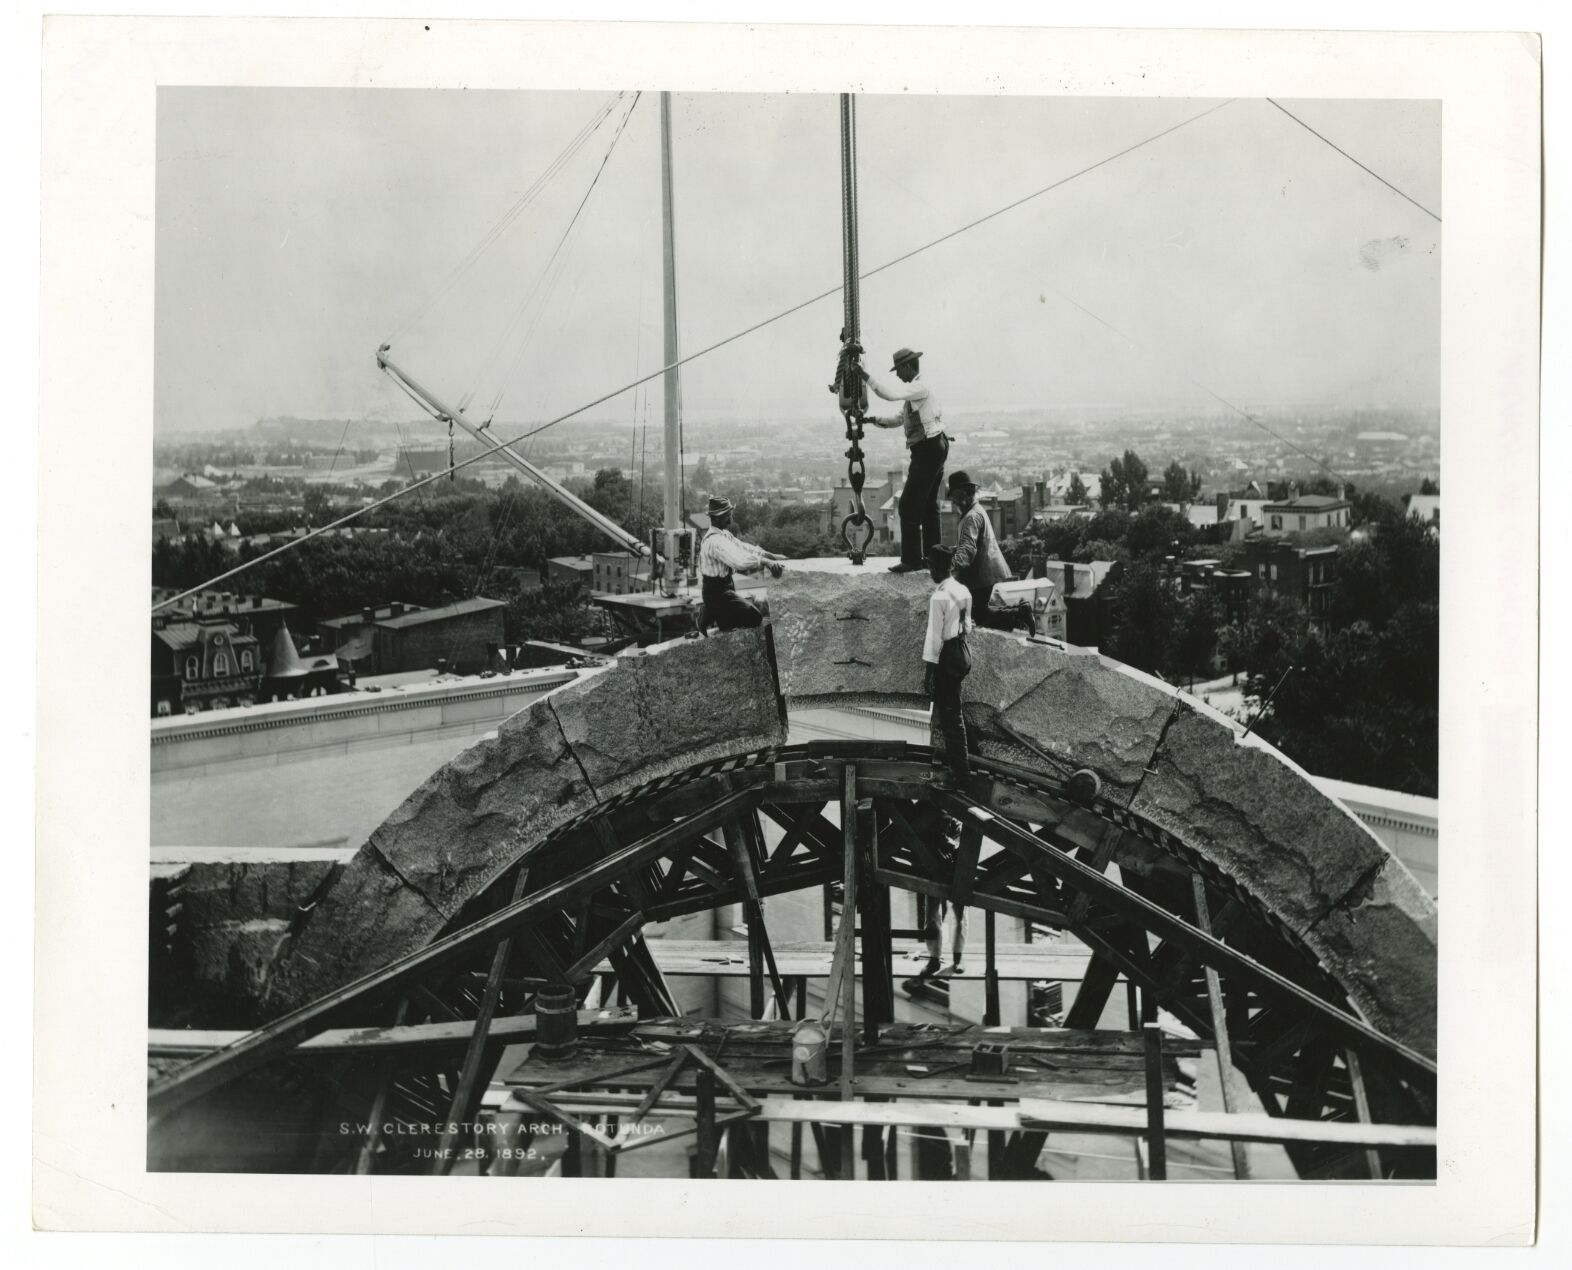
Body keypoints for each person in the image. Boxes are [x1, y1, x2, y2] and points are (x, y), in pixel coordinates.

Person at [862, 347, 947, 573]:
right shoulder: (916, 395)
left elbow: (889, 394)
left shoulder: (919, 387)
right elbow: (900, 418)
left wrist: (865, 377)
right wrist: (874, 420)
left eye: (899, 370)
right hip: (934, 447)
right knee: (929, 507)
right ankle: (932, 557)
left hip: (927, 449)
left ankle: (912, 560)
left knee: (908, 506)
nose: (898, 375)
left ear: (908, 367)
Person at [946, 470, 1034, 635]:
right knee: (980, 610)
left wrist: (948, 565)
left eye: (956, 495)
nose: (954, 500)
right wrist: (950, 552)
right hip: (985, 572)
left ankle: (1020, 614)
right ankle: (1020, 614)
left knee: (979, 613)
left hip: (980, 574)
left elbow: (967, 550)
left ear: (965, 492)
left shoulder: (970, 517)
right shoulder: (977, 509)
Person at [922, 544, 972, 786]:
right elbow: (968, 625)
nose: (929, 570)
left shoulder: (939, 596)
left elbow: (934, 639)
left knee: (952, 718)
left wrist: (928, 675)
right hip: (962, 651)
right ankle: (958, 764)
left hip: (948, 657)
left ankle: (961, 775)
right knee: (952, 712)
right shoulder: (962, 590)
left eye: (930, 565)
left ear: (935, 567)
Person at [696, 495, 784, 631]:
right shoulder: (716, 542)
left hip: (725, 587)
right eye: (729, 515)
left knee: (729, 623)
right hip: (716, 592)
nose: (731, 518)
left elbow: (743, 547)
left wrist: (769, 555)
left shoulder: (724, 534)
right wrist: (765, 562)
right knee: (753, 618)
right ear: (719, 517)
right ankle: (709, 612)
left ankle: (711, 611)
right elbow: (739, 561)